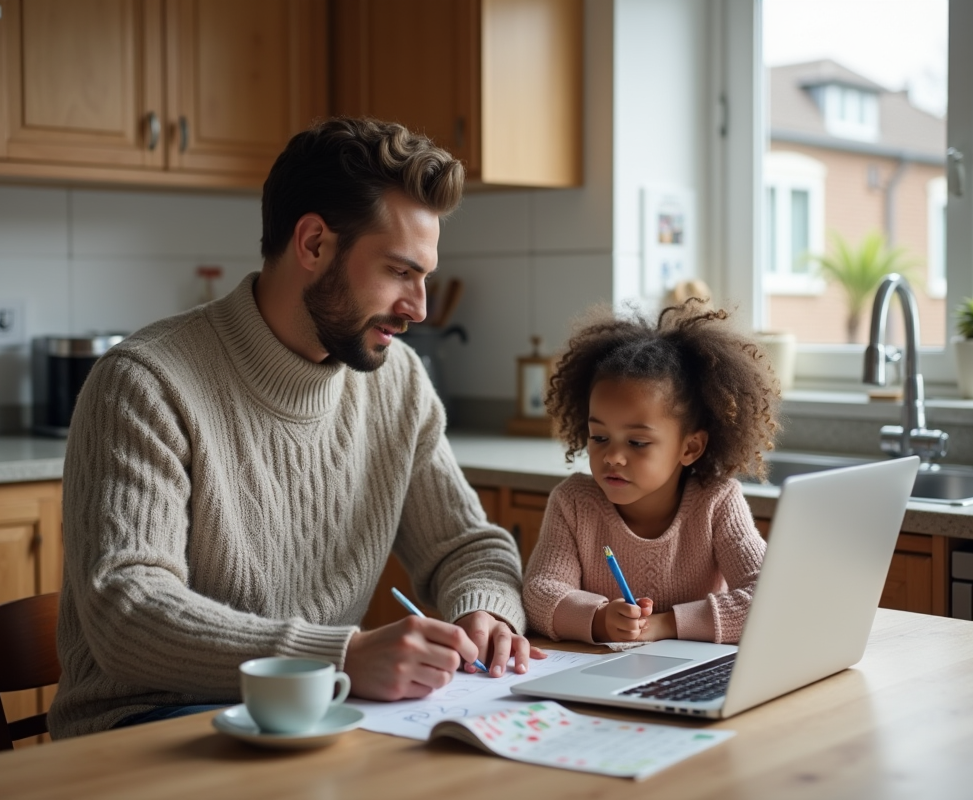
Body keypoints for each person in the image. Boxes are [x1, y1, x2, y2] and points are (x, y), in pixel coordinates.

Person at [48, 118, 542, 739]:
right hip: (148, 727)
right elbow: (128, 611)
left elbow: (466, 546)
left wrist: (485, 613)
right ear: (313, 244)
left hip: (315, 717)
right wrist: (339, 659)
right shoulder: (145, 382)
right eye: (399, 272)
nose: (418, 308)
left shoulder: (397, 381)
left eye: (425, 277)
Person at [522, 301, 781, 645]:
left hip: (690, 669)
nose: (613, 457)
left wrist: (663, 625)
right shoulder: (573, 503)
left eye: (637, 442)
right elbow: (540, 592)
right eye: (599, 437)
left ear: (690, 447)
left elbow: (769, 596)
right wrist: (599, 619)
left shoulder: (717, 502)